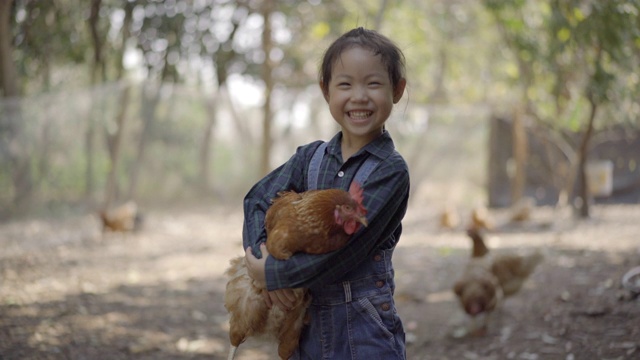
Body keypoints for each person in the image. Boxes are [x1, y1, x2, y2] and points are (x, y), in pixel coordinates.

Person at [243, 27, 410, 359]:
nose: (359, 96)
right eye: (345, 84)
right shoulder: (310, 157)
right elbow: (258, 199)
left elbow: (346, 254)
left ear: (398, 90)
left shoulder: (390, 171)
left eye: (373, 83)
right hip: (305, 322)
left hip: (364, 329)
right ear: (326, 91)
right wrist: (260, 255)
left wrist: (273, 274)